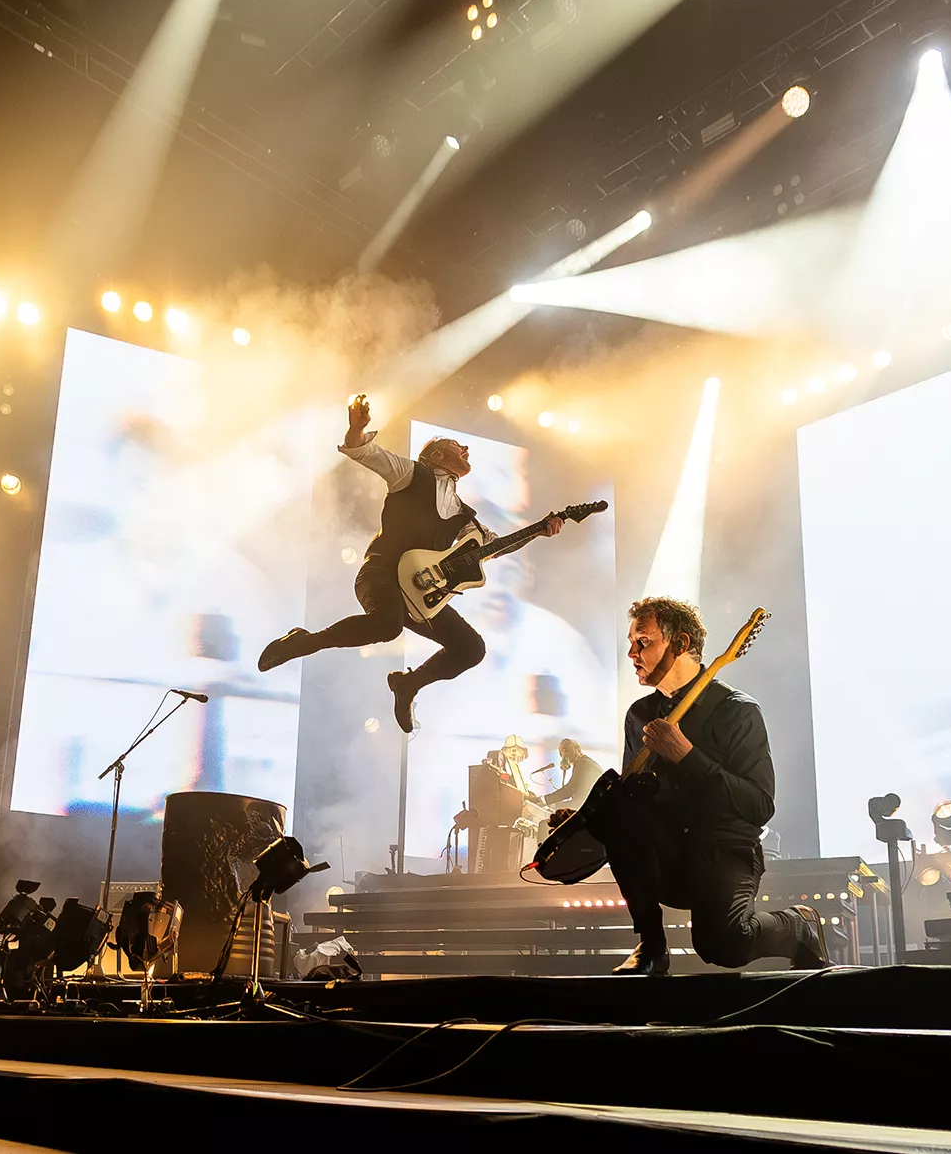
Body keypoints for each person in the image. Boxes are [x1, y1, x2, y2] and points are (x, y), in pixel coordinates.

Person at [256, 396, 559, 733]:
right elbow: (363, 451)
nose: (466, 449)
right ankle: (305, 641)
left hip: (419, 594)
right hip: (381, 574)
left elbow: (496, 547)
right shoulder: (409, 474)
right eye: (457, 445)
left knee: (471, 649)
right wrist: (357, 430)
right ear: (438, 455)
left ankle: (409, 684)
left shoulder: (465, 516)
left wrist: (540, 530)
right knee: (387, 626)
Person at [603, 596, 828, 976]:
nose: (631, 653)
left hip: (723, 851)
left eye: (643, 641)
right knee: (620, 815)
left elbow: (758, 805)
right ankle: (651, 945)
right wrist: (592, 814)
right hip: (668, 855)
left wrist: (687, 756)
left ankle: (798, 924)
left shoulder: (737, 710)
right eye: (631, 642)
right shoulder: (639, 714)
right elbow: (631, 798)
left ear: (681, 643)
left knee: (722, 946)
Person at [545, 737, 602, 809]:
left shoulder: (583, 763)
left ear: (578, 750)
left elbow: (571, 791)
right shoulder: (583, 763)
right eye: (562, 751)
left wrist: (548, 803)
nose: (564, 754)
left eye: (566, 749)